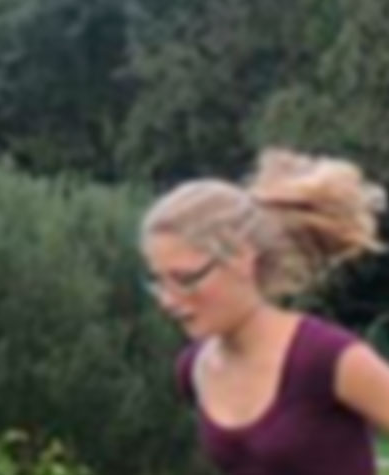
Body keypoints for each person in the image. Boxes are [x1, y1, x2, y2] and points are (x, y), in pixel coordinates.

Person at [140, 148, 389, 474]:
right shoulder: (194, 370)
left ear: (242, 258)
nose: (168, 301)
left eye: (186, 279)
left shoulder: (327, 358)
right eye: (158, 282)